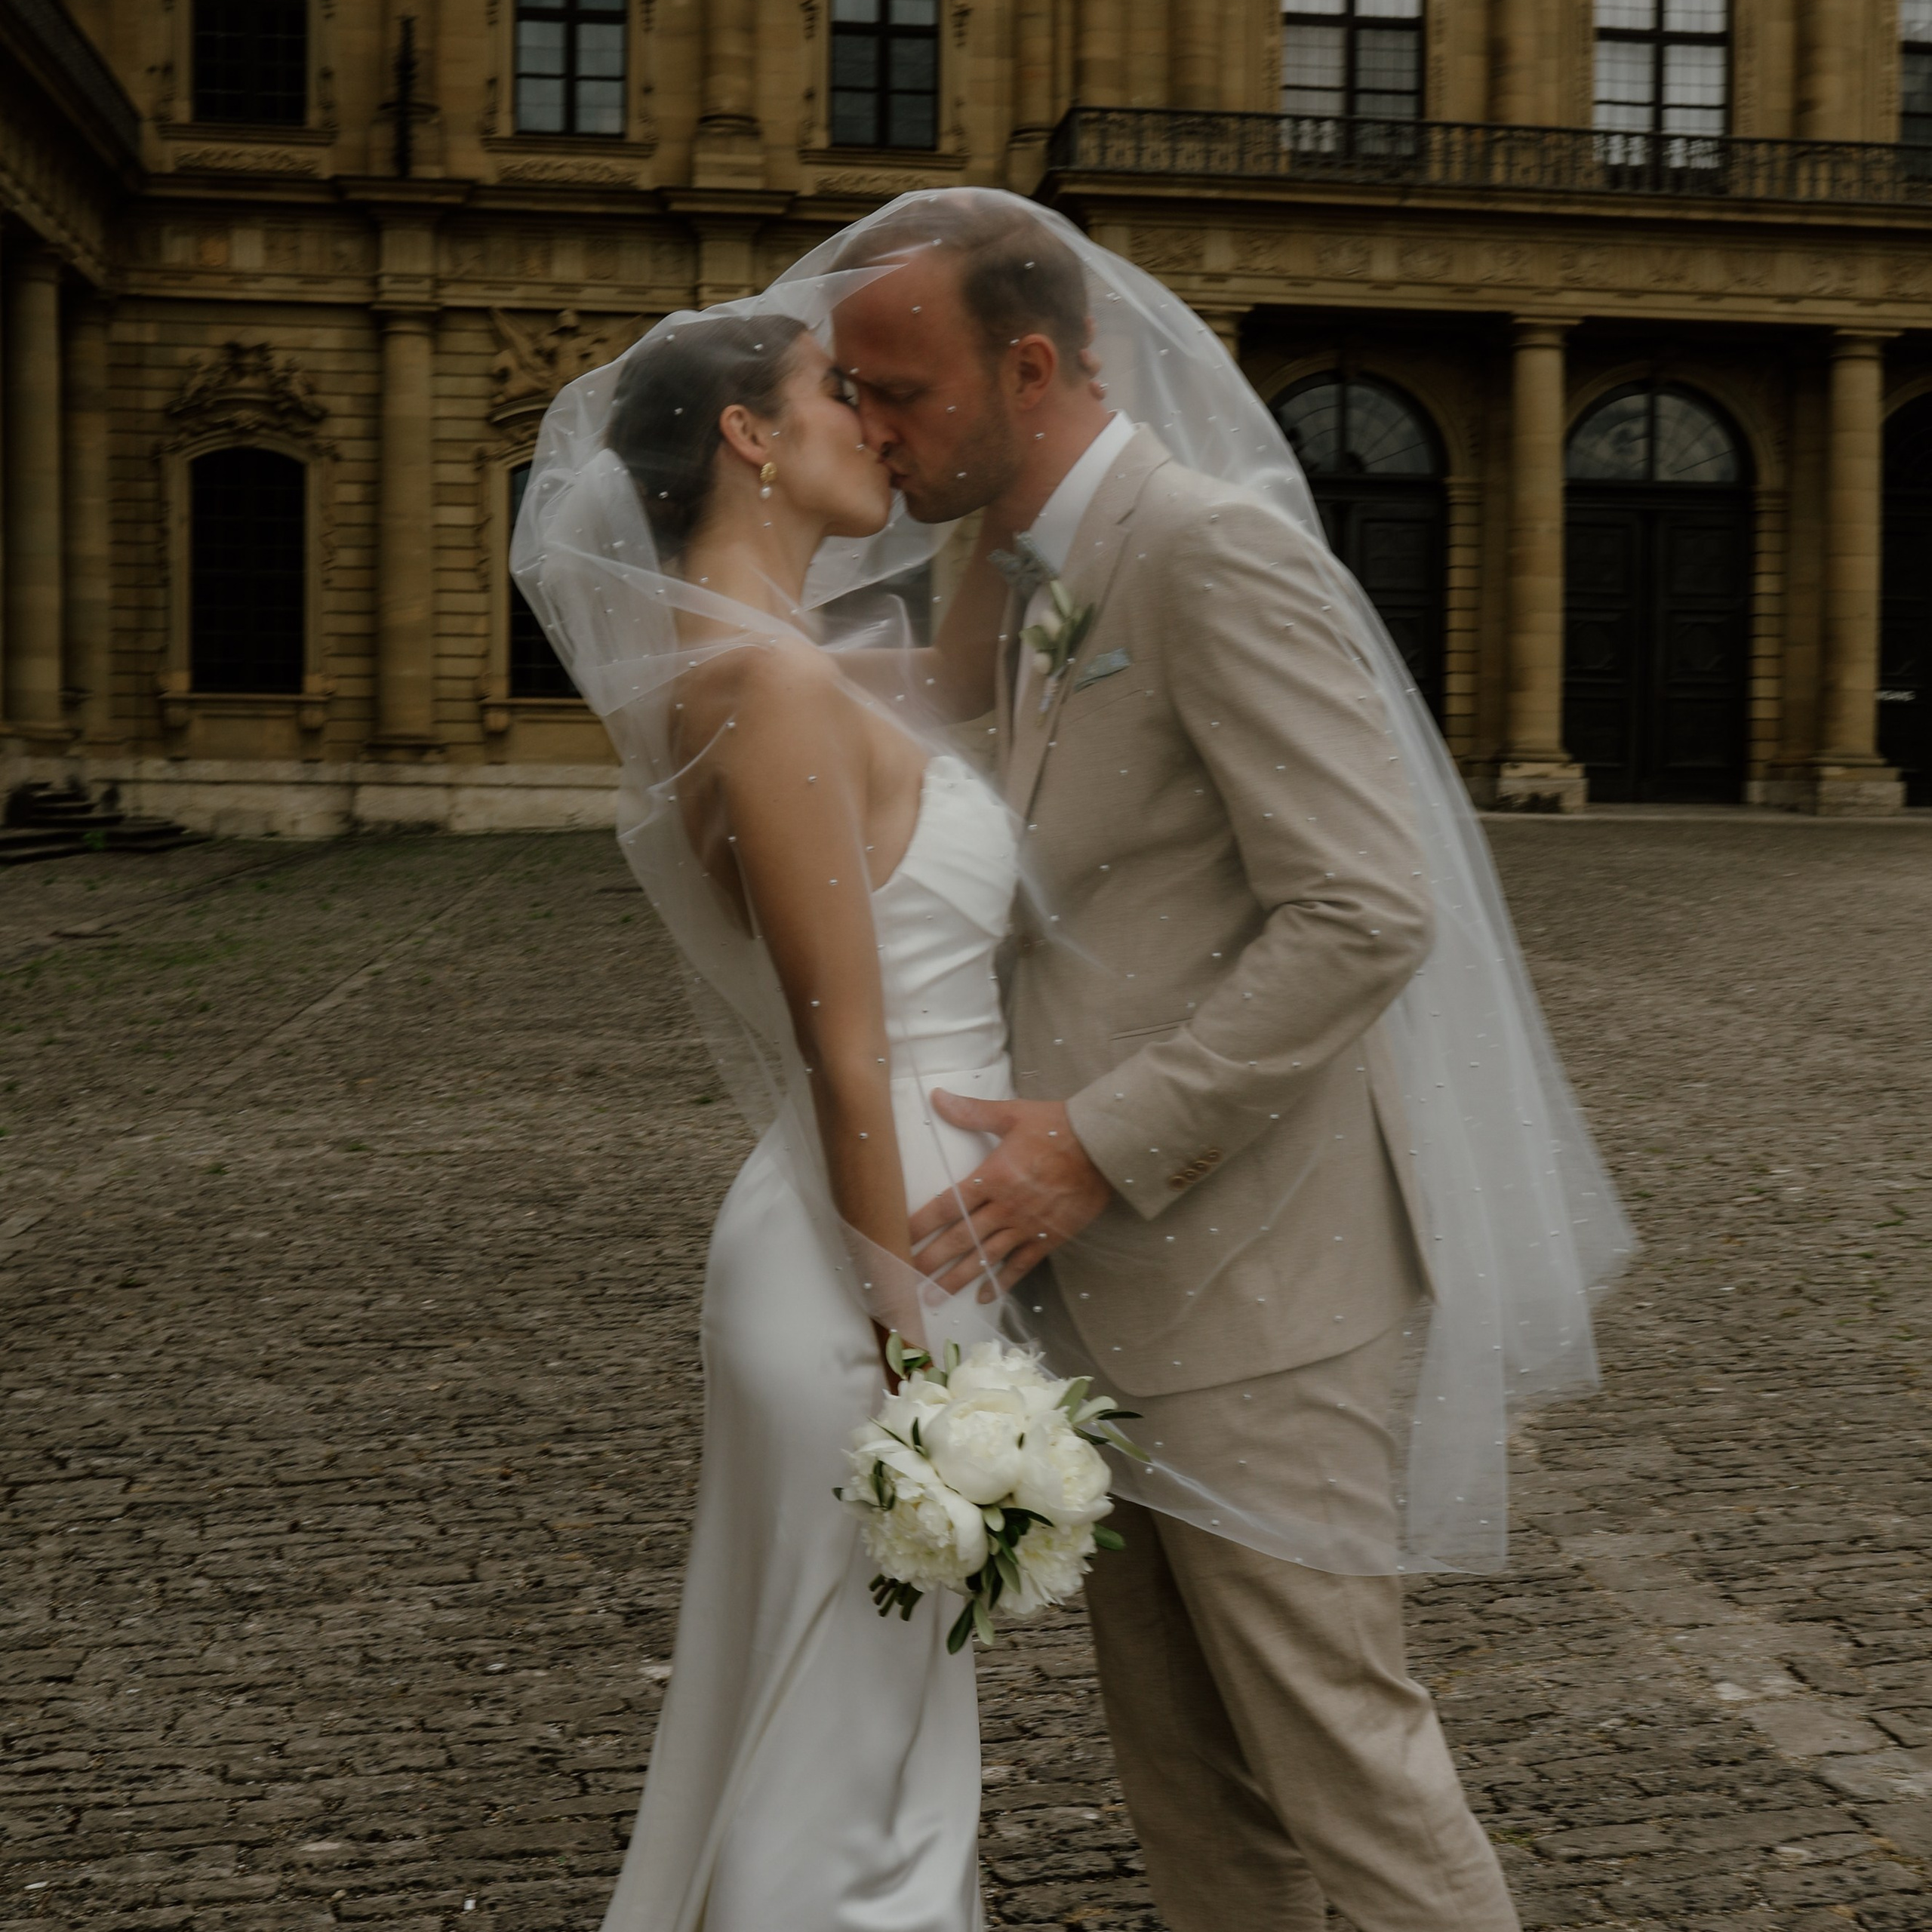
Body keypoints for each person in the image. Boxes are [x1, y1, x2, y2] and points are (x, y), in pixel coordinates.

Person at [826, 192, 1531, 1932]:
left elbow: (1365, 905)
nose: (870, 430)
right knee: (1190, 1783)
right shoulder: (1009, 563)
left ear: (1035, 362)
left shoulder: (1206, 543)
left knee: (1343, 1759)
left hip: (1261, 1274)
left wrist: (1095, 1142)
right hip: (1101, 1283)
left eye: (895, 391)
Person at [525, 310, 1014, 1931]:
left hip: (868, 1227)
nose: (870, 424)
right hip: (867, 1257)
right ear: (746, 435)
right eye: (833, 393)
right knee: (850, 1769)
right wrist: (914, 1348)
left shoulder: (773, 654)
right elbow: (844, 1049)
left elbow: (968, 674)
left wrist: (1002, 469)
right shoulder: (769, 677)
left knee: (856, 1735)